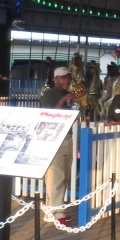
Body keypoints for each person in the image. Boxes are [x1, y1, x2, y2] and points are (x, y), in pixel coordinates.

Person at [40, 67, 76, 221]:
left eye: (68, 77)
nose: (66, 80)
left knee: (64, 175)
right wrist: (64, 100)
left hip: (68, 136)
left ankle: (52, 209)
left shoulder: (68, 96)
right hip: (55, 138)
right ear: (55, 79)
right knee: (56, 175)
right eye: (62, 77)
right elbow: (51, 115)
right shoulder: (49, 94)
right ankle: (57, 212)